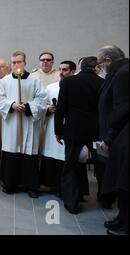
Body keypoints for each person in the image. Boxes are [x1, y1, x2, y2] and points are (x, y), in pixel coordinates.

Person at [55, 57, 103, 214]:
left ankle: (71, 203)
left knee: (70, 166)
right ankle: (105, 199)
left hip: (73, 129)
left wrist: (58, 130)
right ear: (96, 67)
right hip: (97, 130)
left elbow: (60, 109)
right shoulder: (102, 82)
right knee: (101, 164)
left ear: (81, 67)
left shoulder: (68, 82)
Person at [0, 51, 46, 198]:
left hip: (29, 123)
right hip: (11, 124)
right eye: (13, 62)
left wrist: (28, 106)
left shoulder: (34, 80)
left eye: (19, 62)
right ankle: (10, 183)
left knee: (28, 152)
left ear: (25, 63)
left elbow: (42, 99)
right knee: (11, 152)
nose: (16, 65)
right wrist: (11, 105)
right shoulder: (4, 81)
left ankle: (30, 186)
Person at [97, 45, 129, 235]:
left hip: (123, 136)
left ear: (108, 60)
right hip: (121, 135)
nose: (102, 68)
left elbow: (122, 109)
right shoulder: (122, 70)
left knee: (124, 181)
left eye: (102, 64)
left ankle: (126, 223)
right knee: (121, 181)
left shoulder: (122, 74)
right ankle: (122, 218)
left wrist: (109, 137)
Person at [40, 60, 77, 196]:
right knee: (52, 155)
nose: (61, 72)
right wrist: (48, 109)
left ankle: (66, 188)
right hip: (52, 125)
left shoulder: (77, 86)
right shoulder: (51, 87)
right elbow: (43, 105)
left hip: (70, 125)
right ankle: (51, 184)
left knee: (67, 157)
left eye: (65, 70)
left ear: (73, 71)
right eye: (60, 69)